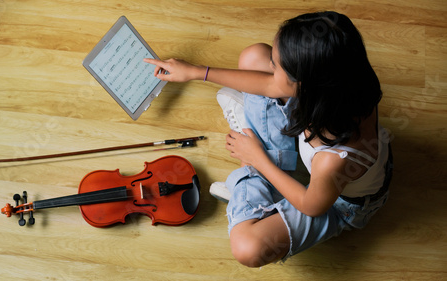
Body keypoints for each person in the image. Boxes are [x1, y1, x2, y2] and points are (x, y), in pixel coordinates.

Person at [144, 11, 392, 267]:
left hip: (338, 205)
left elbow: (311, 205)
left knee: (248, 248)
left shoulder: (333, 160)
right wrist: (197, 71)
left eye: (277, 66)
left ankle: (251, 180)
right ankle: (262, 179)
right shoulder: (344, 82)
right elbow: (273, 85)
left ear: (304, 86)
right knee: (253, 56)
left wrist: (258, 159)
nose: (272, 66)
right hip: (320, 162)